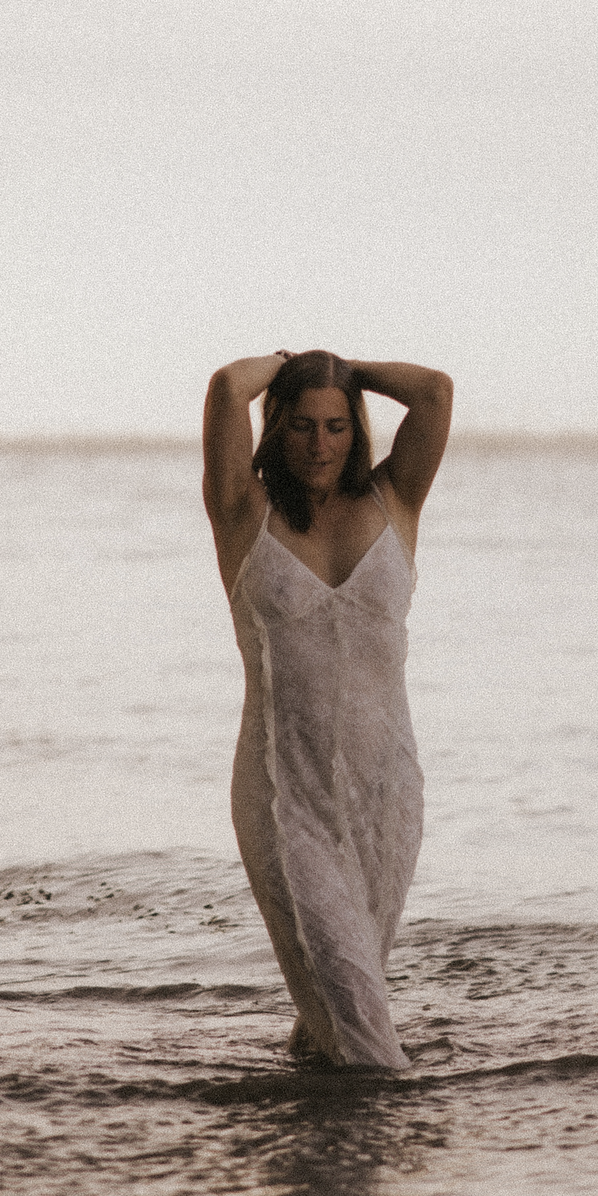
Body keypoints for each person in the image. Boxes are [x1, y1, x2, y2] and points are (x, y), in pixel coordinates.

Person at [202, 350, 453, 1070]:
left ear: (357, 429)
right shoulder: (244, 511)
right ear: (276, 427)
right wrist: (283, 365)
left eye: (337, 426)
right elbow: (226, 388)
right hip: (287, 799)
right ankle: (392, 1144)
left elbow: (435, 392)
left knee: (339, 1005)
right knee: (366, 1031)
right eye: (303, 425)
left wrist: (347, 367)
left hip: (389, 795)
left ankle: (312, 1151)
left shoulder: (394, 500)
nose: (320, 444)